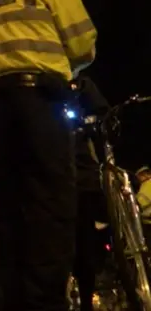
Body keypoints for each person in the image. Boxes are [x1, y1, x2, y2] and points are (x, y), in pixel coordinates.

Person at [0, 0, 97, 311]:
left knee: (8, 214)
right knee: (50, 207)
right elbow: (83, 45)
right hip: (39, 101)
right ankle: (45, 303)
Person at [72, 74, 110, 311]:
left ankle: (86, 300)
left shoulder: (82, 84)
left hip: (82, 177)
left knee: (84, 244)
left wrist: (90, 121)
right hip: (50, 173)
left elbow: (102, 112)